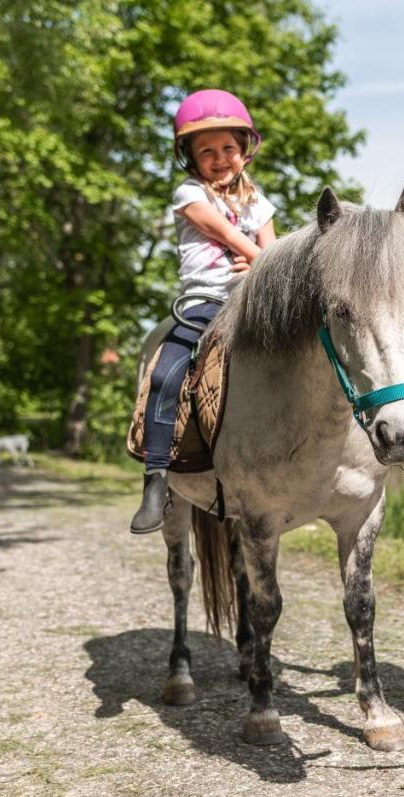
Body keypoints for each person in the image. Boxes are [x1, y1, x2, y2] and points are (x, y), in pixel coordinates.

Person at [130, 89, 276, 534]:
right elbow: (224, 233)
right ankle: (156, 476)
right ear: (190, 158)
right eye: (206, 150)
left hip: (252, 301)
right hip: (204, 304)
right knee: (166, 372)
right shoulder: (189, 192)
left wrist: (261, 262)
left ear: (244, 150)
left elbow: (272, 255)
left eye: (228, 148)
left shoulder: (258, 201)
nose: (219, 158)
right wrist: (255, 253)